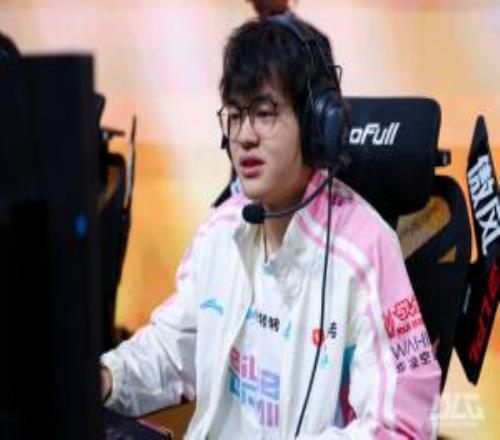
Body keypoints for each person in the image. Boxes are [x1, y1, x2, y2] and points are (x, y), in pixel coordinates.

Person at [100, 10, 441, 440]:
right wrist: (105, 377)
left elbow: (403, 426)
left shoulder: (366, 250)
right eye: (235, 115)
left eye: (264, 113)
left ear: (317, 125)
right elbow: (173, 349)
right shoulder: (221, 230)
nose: (244, 136)